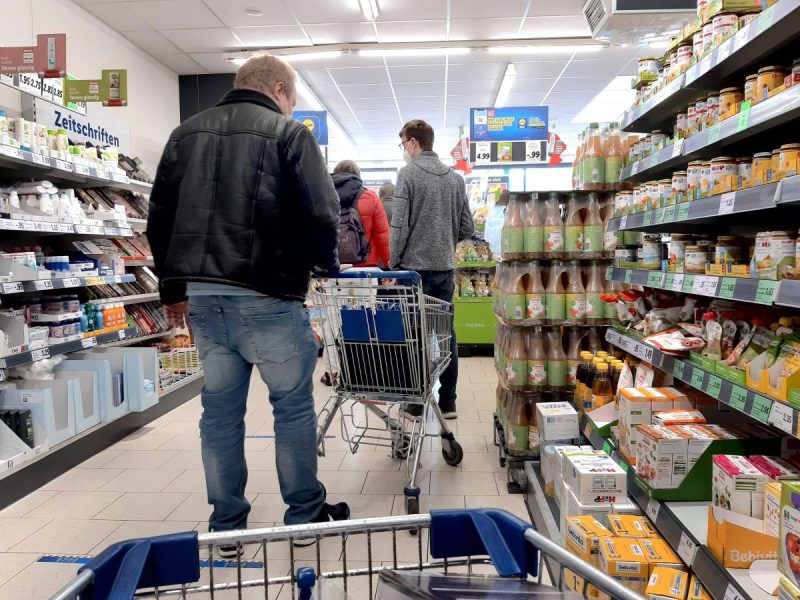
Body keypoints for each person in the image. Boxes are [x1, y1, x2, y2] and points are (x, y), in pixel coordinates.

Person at [147, 54, 350, 556]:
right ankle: (303, 516)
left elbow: (159, 218)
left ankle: (227, 526)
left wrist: (171, 291)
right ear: (279, 89)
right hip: (268, 295)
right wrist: (323, 266)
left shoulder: (183, 135)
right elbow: (324, 213)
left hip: (204, 301)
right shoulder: (288, 134)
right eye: (293, 99)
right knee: (292, 408)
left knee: (218, 413)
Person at [390, 119, 474, 419]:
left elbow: (398, 226)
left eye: (403, 144)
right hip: (445, 269)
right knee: (445, 334)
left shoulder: (407, 175)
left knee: (415, 336)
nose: (404, 150)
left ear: (413, 142)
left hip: (413, 271)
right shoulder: (455, 178)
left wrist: (393, 262)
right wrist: (445, 240)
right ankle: (448, 400)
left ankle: (414, 402)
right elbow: (467, 226)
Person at [319, 160, 391, 387]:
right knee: (364, 321)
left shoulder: (323, 196)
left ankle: (333, 372)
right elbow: (383, 237)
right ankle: (362, 371)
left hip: (335, 271)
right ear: (358, 175)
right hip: (365, 273)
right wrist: (388, 268)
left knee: (331, 323)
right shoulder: (370, 198)